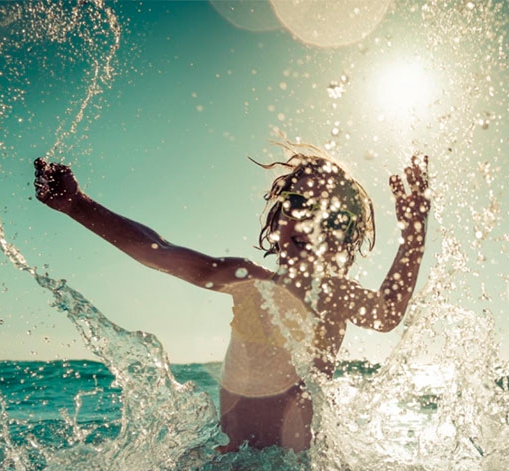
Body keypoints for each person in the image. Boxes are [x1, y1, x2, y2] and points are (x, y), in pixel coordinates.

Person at [33, 143, 430, 453]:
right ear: (279, 213)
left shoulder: (335, 296)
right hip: (231, 461)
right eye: (296, 203)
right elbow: (157, 251)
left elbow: (386, 314)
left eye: (328, 216)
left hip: (294, 468)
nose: (306, 221)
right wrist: (77, 205)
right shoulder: (246, 279)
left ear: (341, 235)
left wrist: (413, 235)